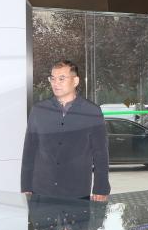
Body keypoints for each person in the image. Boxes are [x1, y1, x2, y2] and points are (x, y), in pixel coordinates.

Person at [21, 60, 110, 201]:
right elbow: (29, 150)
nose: (55, 83)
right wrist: (26, 185)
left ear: (75, 81)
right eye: (53, 78)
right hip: (42, 190)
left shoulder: (92, 111)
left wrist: (101, 187)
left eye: (61, 78)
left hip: (77, 191)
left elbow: (100, 153)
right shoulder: (38, 110)